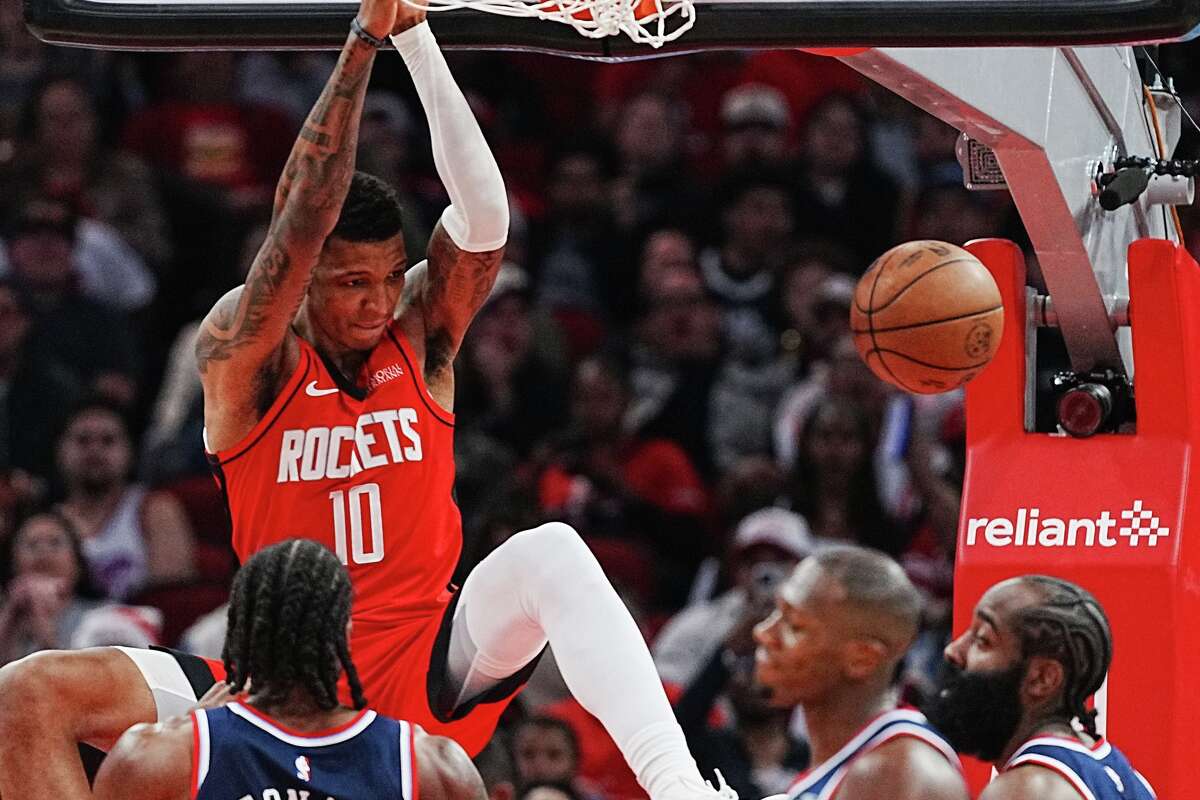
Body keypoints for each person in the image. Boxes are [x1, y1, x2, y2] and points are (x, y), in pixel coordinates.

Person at [2, 3, 731, 800]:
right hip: (271, 673)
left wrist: (413, 36)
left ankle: (681, 788)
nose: (379, 302)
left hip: (423, 662)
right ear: (303, 278)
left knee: (552, 552)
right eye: (353, 282)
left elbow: (485, 219)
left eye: (390, 277)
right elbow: (300, 220)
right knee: (27, 692)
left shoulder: (418, 331)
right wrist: (361, 43)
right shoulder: (249, 353)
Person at [91, 539, 487, 800]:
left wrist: (190, 729)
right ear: (345, 632)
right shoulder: (431, 764)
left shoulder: (159, 755)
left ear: (240, 632)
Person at [753, 545, 968, 800]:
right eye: (777, 612)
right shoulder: (853, 764)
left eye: (795, 625)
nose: (763, 633)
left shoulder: (900, 774)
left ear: (862, 659)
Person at [927, 575, 1156, 800]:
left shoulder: (1027, 789)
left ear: (1043, 678)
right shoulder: (1127, 777)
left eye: (982, 640)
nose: (953, 650)